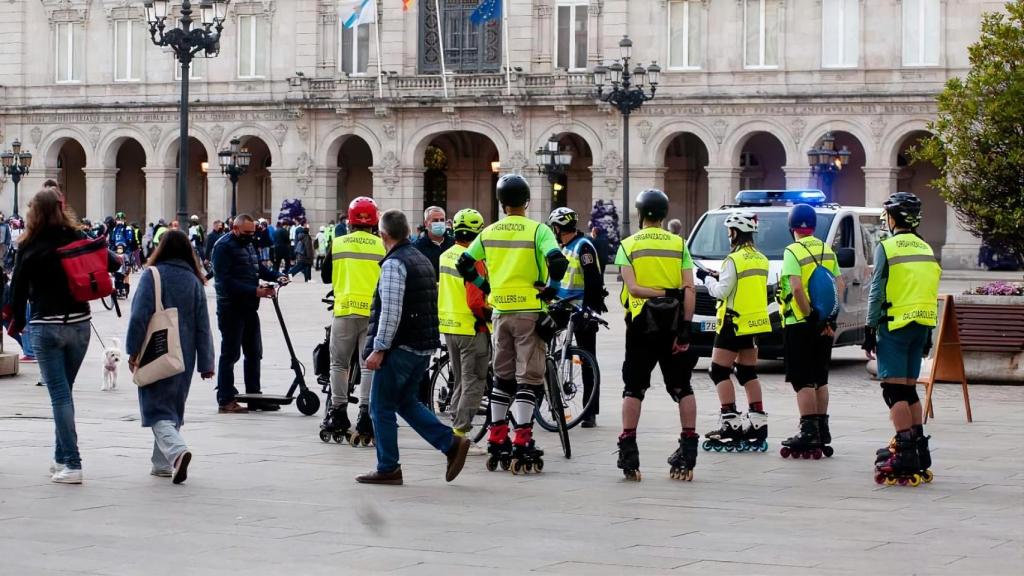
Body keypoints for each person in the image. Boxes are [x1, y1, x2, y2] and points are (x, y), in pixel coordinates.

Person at [457, 174, 568, 474]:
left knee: (502, 378)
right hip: (530, 311)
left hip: (500, 312)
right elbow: (558, 262)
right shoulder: (538, 230)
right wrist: (552, 289)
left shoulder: (489, 232)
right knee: (528, 379)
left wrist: (486, 286)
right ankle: (522, 440)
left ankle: (497, 438)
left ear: (501, 202)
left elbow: (464, 263)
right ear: (527, 201)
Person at [8, 189, 120, 484]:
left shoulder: (30, 245)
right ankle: (60, 458)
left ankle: (72, 463)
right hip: (80, 324)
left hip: (47, 325)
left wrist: (18, 322)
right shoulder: (76, 236)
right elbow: (114, 262)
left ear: (34, 213)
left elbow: (17, 289)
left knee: (59, 396)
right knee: (64, 393)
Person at [356, 209, 471, 485]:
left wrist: (379, 348)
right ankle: (450, 443)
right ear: (408, 231)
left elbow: (391, 311)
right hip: (422, 345)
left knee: (380, 407)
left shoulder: (394, 264)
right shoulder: (420, 258)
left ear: (383, 234)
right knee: (405, 402)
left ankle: (388, 467)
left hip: (401, 347)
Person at [614, 189, 698, 481]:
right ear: (664, 214)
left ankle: (628, 451)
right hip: (673, 324)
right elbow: (689, 289)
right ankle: (688, 451)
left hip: (641, 324)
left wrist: (659, 292)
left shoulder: (628, 245)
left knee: (633, 388)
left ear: (639, 214)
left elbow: (634, 289)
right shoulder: (679, 244)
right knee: (683, 387)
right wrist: (686, 327)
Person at [125, 230, 215, 484]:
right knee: (172, 407)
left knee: (155, 408)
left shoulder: (152, 275)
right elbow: (203, 325)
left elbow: (139, 316)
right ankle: (161, 464)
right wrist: (206, 363)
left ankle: (176, 453)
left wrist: (132, 350)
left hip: (155, 350)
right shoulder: (194, 280)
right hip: (184, 355)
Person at [865, 192, 940, 485]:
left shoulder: (887, 247)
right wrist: (929, 332)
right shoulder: (926, 247)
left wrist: (869, 328)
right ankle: (919, 447)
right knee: (909, 390)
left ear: (893, 218)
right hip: (921, 324)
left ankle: (904, 451)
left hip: (894, 324)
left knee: (893, 391)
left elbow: (877, 290)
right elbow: (929, 289)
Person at [700, 212, 772, 453]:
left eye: (729, 231)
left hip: (733, 322)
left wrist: (706, 279)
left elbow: (721, 292)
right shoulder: (761, 258)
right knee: (747, 372)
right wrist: (720, 277)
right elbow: (745, 286)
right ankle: (757, 423)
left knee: (718, 371)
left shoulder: (733, 259)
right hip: (754, 323)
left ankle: (730, 423)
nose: (728, 234)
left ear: (735, 232)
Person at [320, 197, 386, 445]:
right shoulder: (382, 246)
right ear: (375, 221)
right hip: (372, 313)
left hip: (344, 310)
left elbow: (326, 276)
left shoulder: (338, 243)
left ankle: (338, 412)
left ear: (350, 220)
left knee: (338, 364)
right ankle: (366, 415)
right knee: (368, 365)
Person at [778, 203, 841, 458]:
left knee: (802, 378)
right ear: (814, 226)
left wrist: (809, 315)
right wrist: (828, 318)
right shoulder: (827, 249)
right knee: (820, 378)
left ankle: (808, 431)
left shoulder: (792, 251)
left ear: (791, 227)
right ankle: (822, 430)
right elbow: (838, 284)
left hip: (800, 323)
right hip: (825, 323)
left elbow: (796, 288)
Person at [211, 214, 289, 414]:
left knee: (254, 352)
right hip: (231, 308)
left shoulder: (248, 244)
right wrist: (255, 291)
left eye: (253, 232)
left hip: (249, 307)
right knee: (230, 354)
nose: (250, 236)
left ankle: (255, 397)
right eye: (246, 232)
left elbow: (257, 268)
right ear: (235, 229)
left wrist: (277, 276)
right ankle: (225, 399)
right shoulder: (223, 247)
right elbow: (224, 281)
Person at [438, 209, 491, 455]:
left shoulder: (445, 255)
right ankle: (459, 436)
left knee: (460, 380)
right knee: (474, 382)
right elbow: (475, 301)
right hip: (471, 328)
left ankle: (454, 429)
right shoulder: (474, 259)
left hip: (450, 326)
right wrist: (490, 315)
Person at [548, 207, 606, 428]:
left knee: (588, 360)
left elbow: (594, 281)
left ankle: (590, 412)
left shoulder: (583, 246)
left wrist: (589, 310)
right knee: (544, 352)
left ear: (558, 228)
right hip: (561, 307)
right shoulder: (562, 248)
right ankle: (545, 400)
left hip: (581, 309)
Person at [414, 206, 455, 279]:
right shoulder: (417, 247)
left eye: (442, 220)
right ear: (426, 223)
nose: (439, 223)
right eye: (435, 220)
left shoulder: (454, 243)